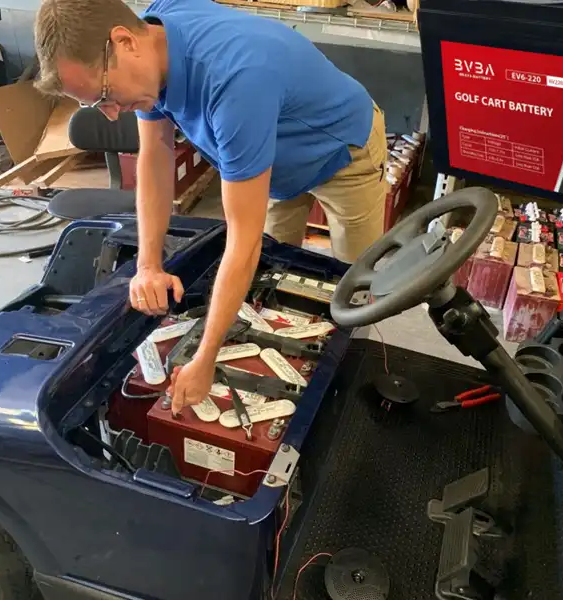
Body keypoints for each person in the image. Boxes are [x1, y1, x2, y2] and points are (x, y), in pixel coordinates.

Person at [34, 0, 387, 414]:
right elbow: (155, 155)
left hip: (340, 151)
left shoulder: (234, 82)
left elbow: (243, 240)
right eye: (97, 105)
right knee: (269, 282)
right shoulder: (153, 30)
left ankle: (348, 397)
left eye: (106, 96)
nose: (112, 116)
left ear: (124, 42)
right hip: (267, 157)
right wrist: (148, 264)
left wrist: (205, 357)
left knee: (354, 293)